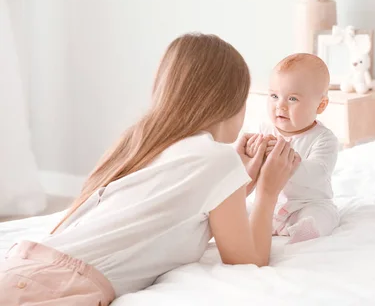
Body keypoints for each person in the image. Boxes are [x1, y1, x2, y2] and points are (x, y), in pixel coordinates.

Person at [0, 33, 300, 305]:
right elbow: (247, 261)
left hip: (26, 264)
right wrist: (267, 191)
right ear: (230, 102)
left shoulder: (145, 142)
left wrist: (241, 179)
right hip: (59, 285)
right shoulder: (218, 160)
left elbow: (182, 208)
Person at [245, 53, 339, 244]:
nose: (280, 105)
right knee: (237, 209)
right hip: (267, 204)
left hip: (305, 204)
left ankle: (305, 231)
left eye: (293, 99)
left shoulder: (323, 138)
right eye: (274, 96)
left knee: (322, 215)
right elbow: (247, 171)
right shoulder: (263, 130)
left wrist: (285, 158)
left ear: (320, 105)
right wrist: (252, 152)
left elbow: (318, 173)